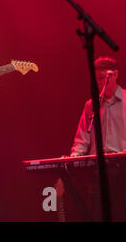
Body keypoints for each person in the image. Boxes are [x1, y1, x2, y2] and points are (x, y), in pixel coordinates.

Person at [68, 56, 126, 221]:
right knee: (98, 216)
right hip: (98, 170)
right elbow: (82, 138)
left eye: (103, 78)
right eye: (97, 79)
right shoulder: (91, 105)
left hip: (123, 168)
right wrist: (72, 159)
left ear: (115, 75)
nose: (99, 83)